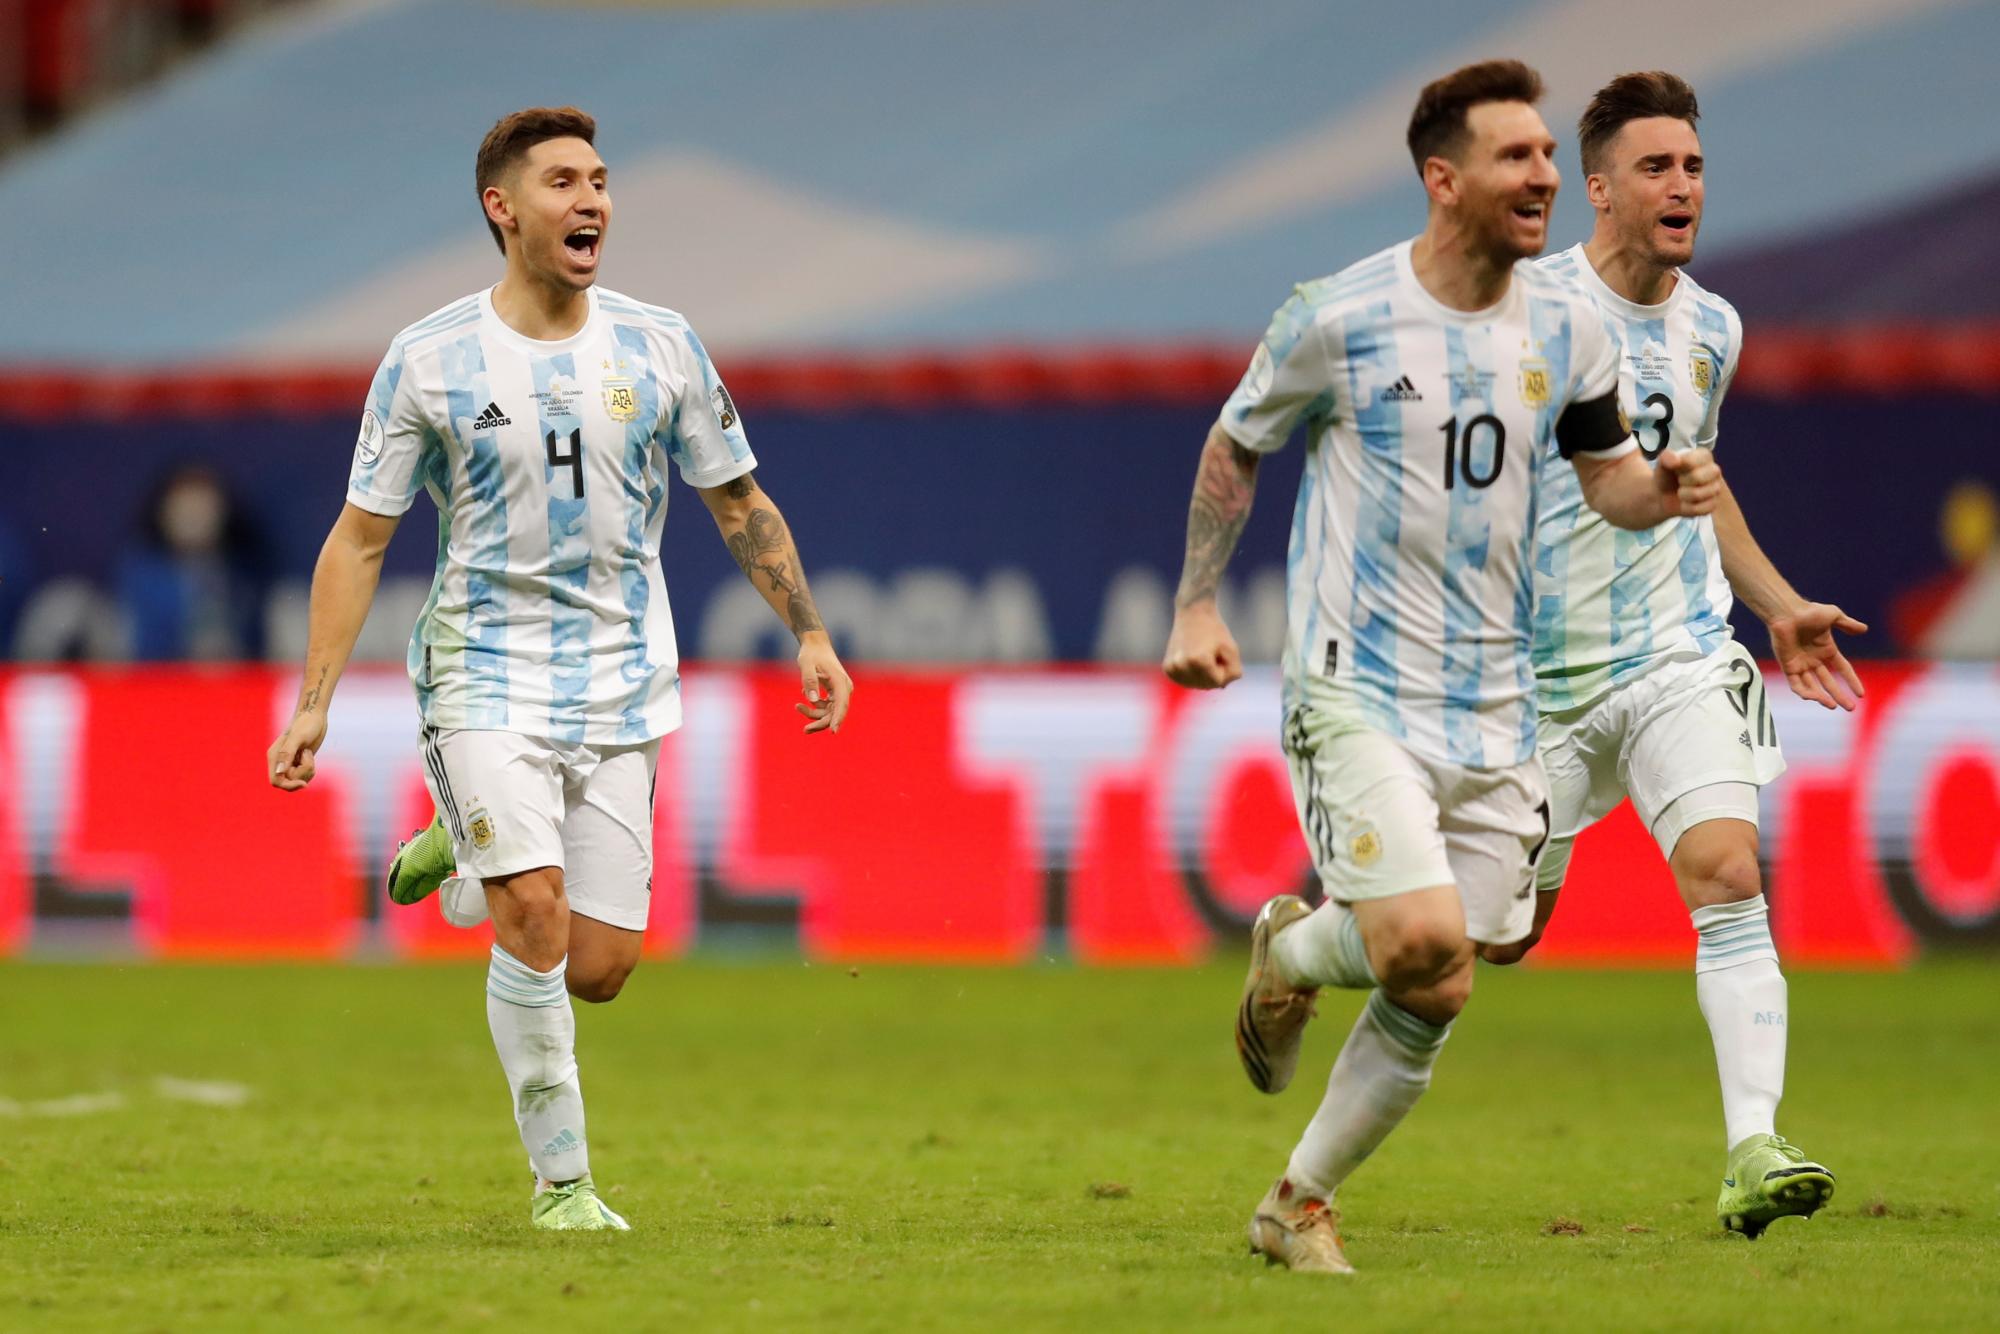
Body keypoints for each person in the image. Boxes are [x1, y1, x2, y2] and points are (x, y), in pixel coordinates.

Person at [1162, 59, 1724, 1276]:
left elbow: (1606, 479)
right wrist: (1197, 598)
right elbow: (1235, 441)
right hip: (1354, 683)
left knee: (1449, 975)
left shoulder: (1569, 327)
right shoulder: (1338, 316)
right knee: (1419, 937)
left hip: (1496, 699)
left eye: (1545, 154)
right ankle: (1296, 959)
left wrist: (1664, 490)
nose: (1541, 176)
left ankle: (1294, 1193)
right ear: (1442, 178)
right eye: (1515, 155)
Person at [265, 106, 853, 1232]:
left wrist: (809, 631)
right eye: (564, 183)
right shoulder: (430, 359)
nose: (593, 202)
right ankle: (564, 1183)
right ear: (502, 207)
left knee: (598, 966)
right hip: (481, 672)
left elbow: (738, 500)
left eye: (600, 180)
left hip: (620, 681)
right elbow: (361, 538)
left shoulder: (660, 345)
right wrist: (313, 701)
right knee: (533, 915)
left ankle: (462, 844)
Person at [1486, 71, 1857, 1236]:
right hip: (1530, 683)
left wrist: (1776, 604)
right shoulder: (1524, 311)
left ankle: (1752, 1146)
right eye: (1654, 166)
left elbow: (1696, 480)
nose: (1680, 185)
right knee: (1489, 938)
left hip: (1672, 657)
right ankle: (1305, 944)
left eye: (1691, 165)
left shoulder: (1712, 328)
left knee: (1727, 872)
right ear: (1597, 190)